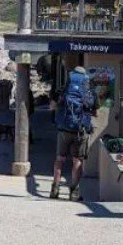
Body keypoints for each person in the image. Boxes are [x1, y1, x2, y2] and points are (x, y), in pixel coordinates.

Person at [51, 66, 97, 201]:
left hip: (63, 130)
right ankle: (74, 192)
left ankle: (55, 189)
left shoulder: (62, 91)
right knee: (77, 161)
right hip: (80, 131)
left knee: (60, 159)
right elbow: (95, 112)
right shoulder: (90, 92)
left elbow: (52, 106)